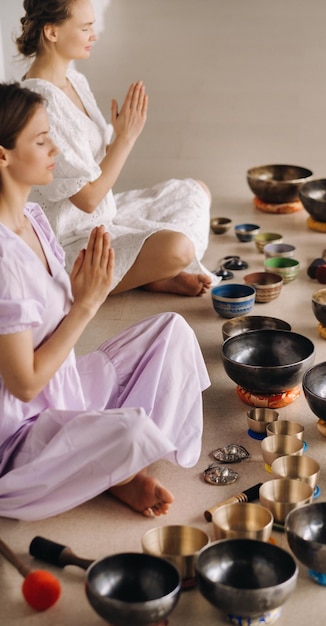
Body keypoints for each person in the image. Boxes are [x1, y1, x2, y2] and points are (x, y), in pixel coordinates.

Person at [0, 82, 210, 521]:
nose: (55, 147)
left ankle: (111, 468)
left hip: (68, 391)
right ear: (3, 156)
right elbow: (24, 384)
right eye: (41, 140)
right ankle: (115, 470)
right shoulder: (3, 258)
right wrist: (85, 306)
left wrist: (79, 293)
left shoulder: (34, 219)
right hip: (22, 437)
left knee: (170, 333)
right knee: (130, 428)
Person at [16, 0, 218, 297]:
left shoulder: (73, 80)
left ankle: (146, 272)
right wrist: (125, 139)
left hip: (107, 216)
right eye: (85, 27)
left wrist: (120, 135)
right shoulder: (39, 102)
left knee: (195, 191)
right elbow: (87, 199)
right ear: (51, 32)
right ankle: (136, 274)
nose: (94, 35)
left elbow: (95, 165)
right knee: (179, 248)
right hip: (73, 241)